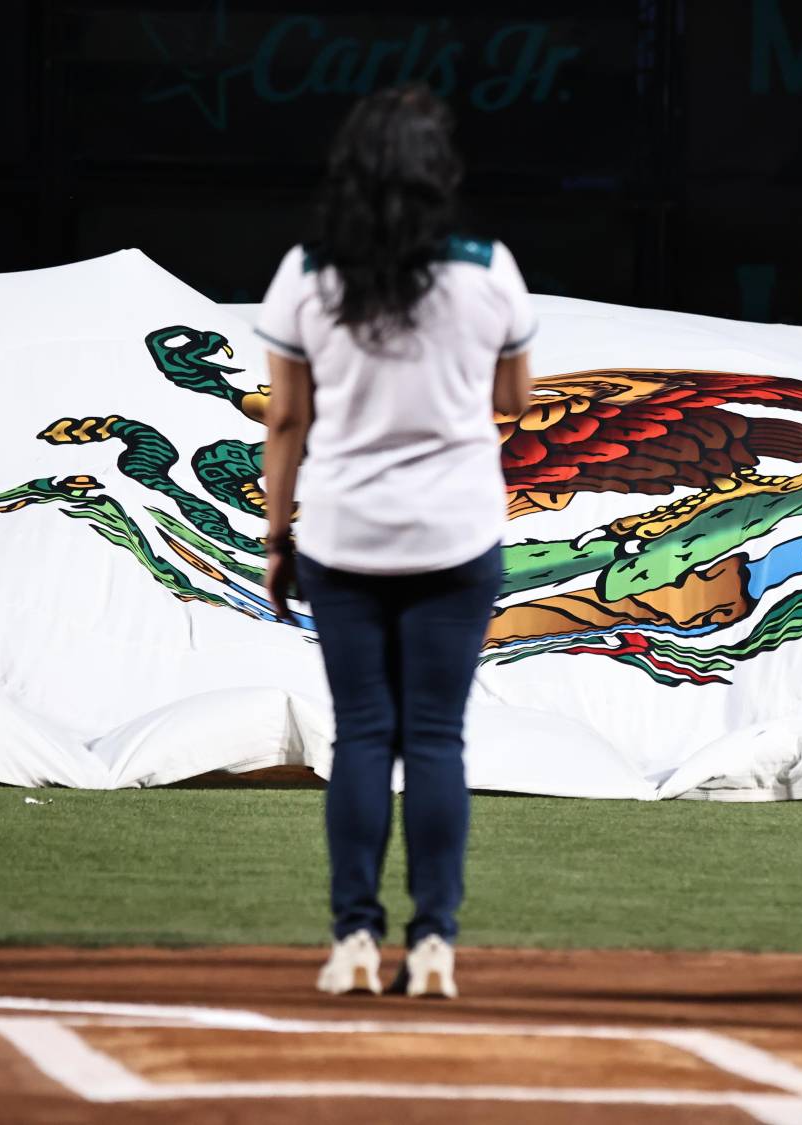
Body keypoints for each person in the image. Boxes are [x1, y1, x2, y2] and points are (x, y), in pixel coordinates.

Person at [256, 84, 535, 997]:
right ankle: (436, 944)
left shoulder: (307, 274)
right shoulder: (487, 267)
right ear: (437, 171)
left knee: (363, 736)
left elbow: (286, 420)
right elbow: (515, 400)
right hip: (456, 531)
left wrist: (277, 537)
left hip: (345, 534)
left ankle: (353, 940)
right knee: (438, 738)